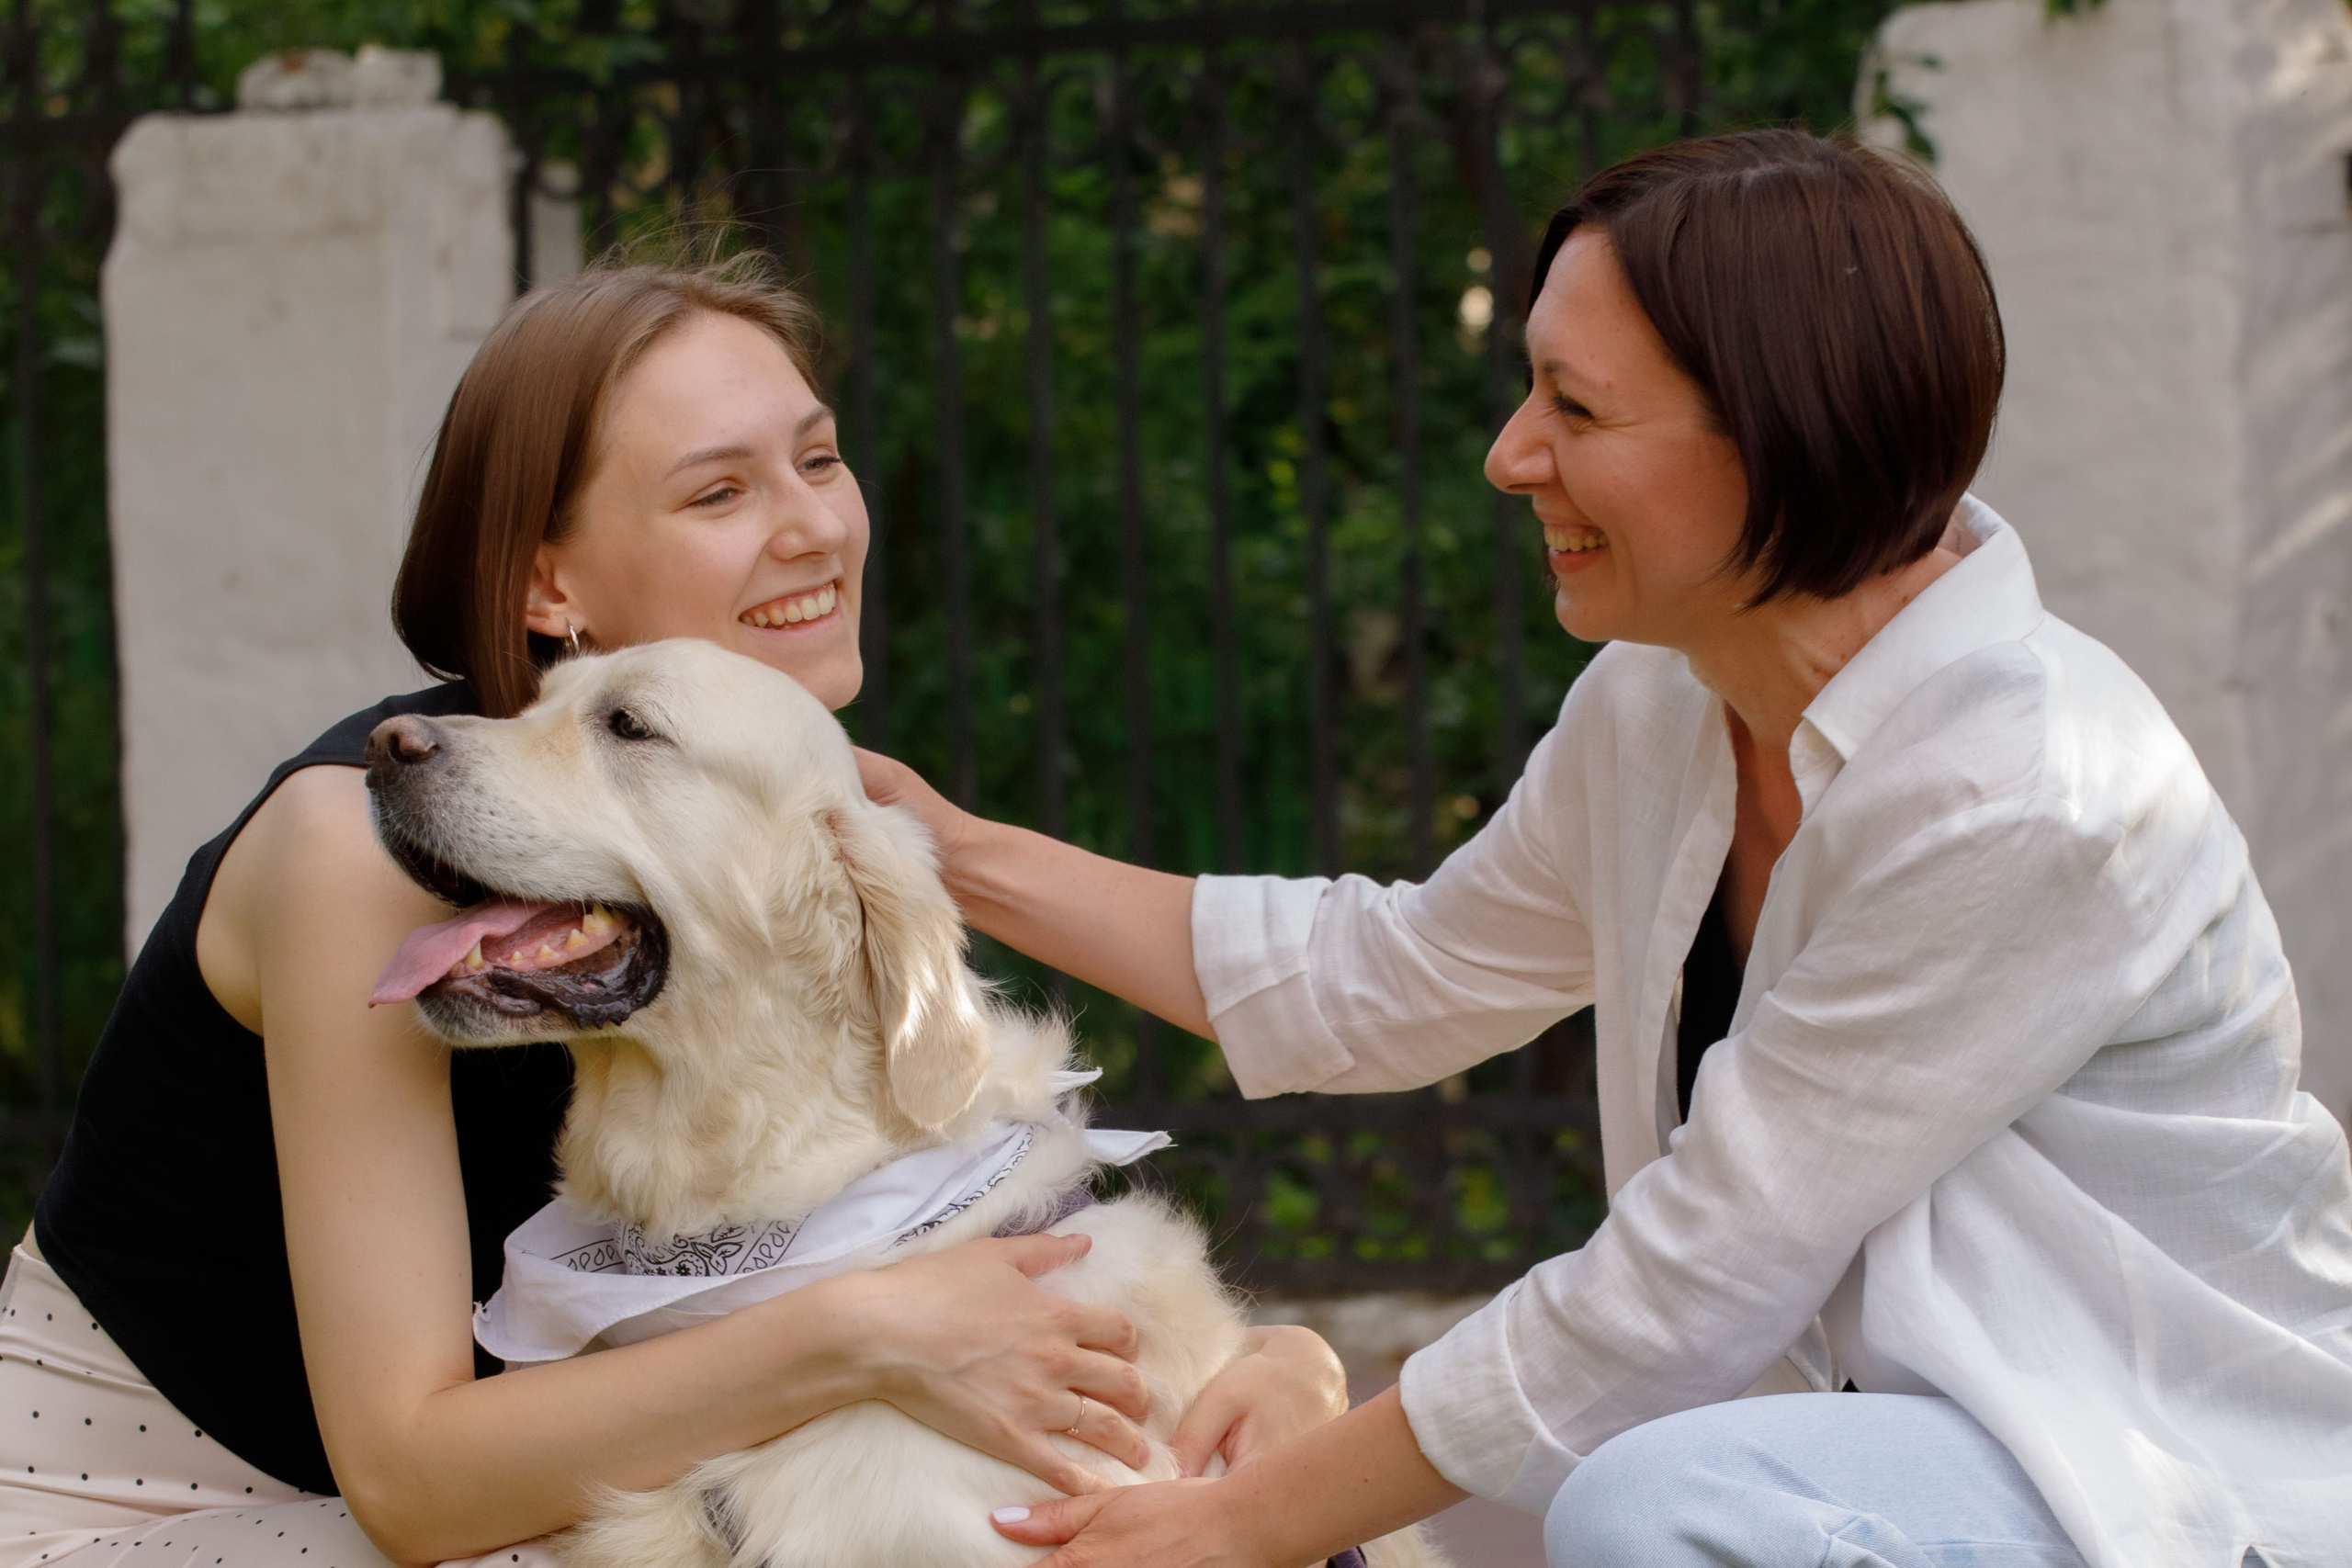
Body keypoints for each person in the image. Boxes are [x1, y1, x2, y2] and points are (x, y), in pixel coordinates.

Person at [855, 130, 2352, 1568]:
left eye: (1577, 409)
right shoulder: (1664, 694)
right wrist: (945, 851)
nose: (1513, 457)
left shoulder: (2027, 792)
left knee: (1665, 1509)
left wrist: (1243, 1528)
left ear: (1778, 435)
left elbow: (1684, 1287)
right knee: (1672, 1488)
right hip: (1881, 1449)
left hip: (2157, 1470)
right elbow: (1386, 979)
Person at [0, 254, 1352, 1568]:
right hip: (162, 1513)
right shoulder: (363, 842)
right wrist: (866, 1334)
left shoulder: (771, 803)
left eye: (818, 461)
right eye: (719, 491)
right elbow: (413, 1487)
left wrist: (1269, 1373)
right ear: (549, 585)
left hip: (525, 1490)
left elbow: (975, 1228)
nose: (814, 524)